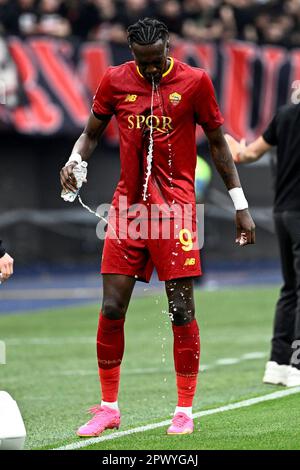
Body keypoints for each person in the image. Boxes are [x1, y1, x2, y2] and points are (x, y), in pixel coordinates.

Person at [60, 17, 255, 437]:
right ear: (131, 52)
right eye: (142, 62)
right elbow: (90, 134)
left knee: (181, 310)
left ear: (168, 46)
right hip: (128, 210)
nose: (150, 69)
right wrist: (75, 161)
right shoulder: (114, 80)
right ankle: (108, 407)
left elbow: (219, 143)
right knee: (112, 307)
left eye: (156, 61)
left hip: (178, 212)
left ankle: (184, 410)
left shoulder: (196, 81)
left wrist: (240, 204)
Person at [225, 102, 300, 388]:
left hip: (282, 212)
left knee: (290, 289)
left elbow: (246, 154)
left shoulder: (284, 114)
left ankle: (278, 363)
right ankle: (297, 365)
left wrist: (233, 145)